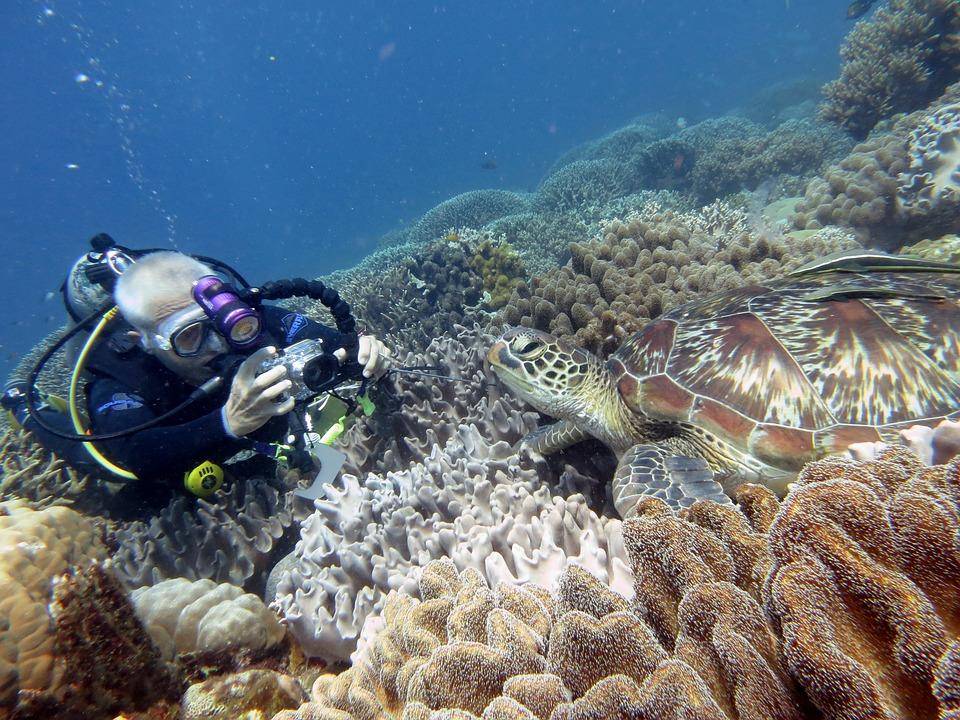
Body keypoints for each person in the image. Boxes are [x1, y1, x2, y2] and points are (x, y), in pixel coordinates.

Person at [2, 250, 391, 497]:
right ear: (147, 341)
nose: (218, 345)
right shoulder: (125, 374)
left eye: (222, 324)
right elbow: (132, 455)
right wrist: (227, 422)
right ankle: (26, 404)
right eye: (189, 337)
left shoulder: (245, 321)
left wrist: (364, 351)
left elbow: (332, 343)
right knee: (95, 465)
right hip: (166, 439)